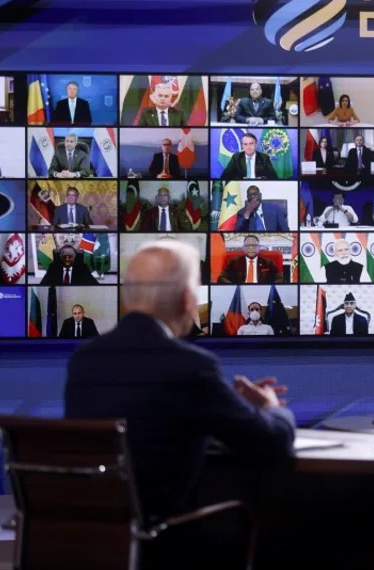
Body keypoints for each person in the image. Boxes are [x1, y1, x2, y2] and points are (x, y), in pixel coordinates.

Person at [64, 239, 295, 568]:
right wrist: (272, 407)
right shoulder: (191, 366)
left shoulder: (83, 360)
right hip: (167, 541)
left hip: (97, 540)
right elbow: (271, 441)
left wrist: (227, 404)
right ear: (189, 300)